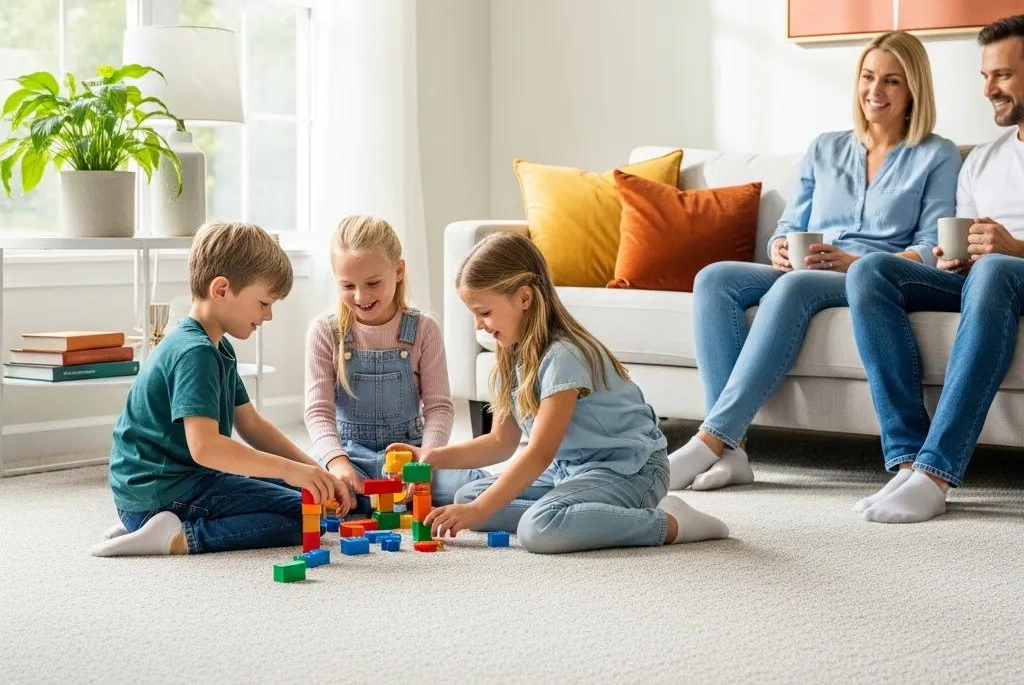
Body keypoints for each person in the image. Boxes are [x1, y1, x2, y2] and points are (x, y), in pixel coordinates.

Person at [670, 31, 961, 492]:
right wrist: (780, 247)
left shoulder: (936, 154)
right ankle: (735, 452)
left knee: (793, 287)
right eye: (868, 77)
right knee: (715, 278)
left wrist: (853, 261)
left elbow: (930, 247)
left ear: (913, 90)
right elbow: (788, 224)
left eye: (891, 81)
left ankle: (710, 437)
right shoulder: (825, 147)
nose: (875, 91)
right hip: (807, 269)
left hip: (868, 278)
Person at [388, 231, 729, 553]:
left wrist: (481, 510)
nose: (478, 325)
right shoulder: (512, 355)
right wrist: (429, 457)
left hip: (629, 470)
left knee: (538, 528)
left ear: (524, 297)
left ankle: (669, 523)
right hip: (570, 470)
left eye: (484, 312)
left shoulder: (564, 356)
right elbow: (499, 444)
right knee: (466, 497)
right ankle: (579, 512)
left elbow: (538, 453)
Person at [848, 14, 1024, 522]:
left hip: (1010, 274)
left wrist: (1014, 248)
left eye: (1003, 76)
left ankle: (938, 472)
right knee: (871, 272)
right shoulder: (983, 161)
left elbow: (1001, 259)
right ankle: (906, 459)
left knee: (992, 273)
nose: (989, 88)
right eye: (985, 76)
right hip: (984, 280)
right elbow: (963, 245)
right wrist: (955, 258)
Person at [93, 222, 339, 557]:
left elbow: (251, 424)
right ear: (221, 289)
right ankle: (175, 536)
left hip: (162, 488)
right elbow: (206, 448)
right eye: (264, 303)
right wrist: (293, 471)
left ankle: (152, 523)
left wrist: (311, 471)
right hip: (164, 491)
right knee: (303, 517)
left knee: (302, 491)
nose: (268, 316)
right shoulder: (196, 353)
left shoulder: (215, 346)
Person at [305, 215, 486, 508]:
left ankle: (382, 499)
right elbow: (317, 411)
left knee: (477, 487)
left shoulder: (424, 329)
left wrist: (425, 463)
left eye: (373, 283)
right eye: (347, 285)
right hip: (351, 458)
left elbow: (439, 407)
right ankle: (373, 498)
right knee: (309, 491)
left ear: (399, 270)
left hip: (411, 457)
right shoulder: (325, 330)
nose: (360, 296)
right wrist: (337, 462)